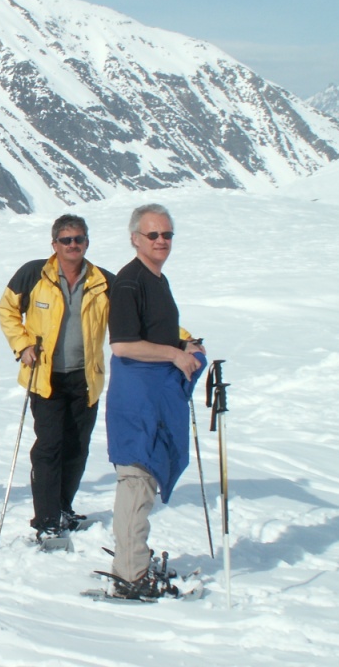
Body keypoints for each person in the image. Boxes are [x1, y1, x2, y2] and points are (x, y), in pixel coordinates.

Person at [106, 204, 206, 598]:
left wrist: (183, 344)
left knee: (142, 481)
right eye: (153, 235)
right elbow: (122, 344)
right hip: (137, 397)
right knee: (136, 478)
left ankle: (133, 562)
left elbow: (154, 332)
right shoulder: (129, 283)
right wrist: (174, 355)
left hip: (152, 395)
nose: (161, 241)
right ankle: (130, 575)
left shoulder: (156, 279)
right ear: (135, 238)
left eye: (167, 234)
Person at [0, 214, 114, 541]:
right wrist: (23, 345)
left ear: (87, 243)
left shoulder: (104, 282)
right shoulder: (34, 273)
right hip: (45, 377)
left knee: (77, 449)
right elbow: (7, 310)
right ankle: (46, 520)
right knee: (49, 448)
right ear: (54, 244)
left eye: (78, 239)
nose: (73, 245)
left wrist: (181, 339)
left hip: (85, 379)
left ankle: (63, 509)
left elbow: (138, 315)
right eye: (66, 240)